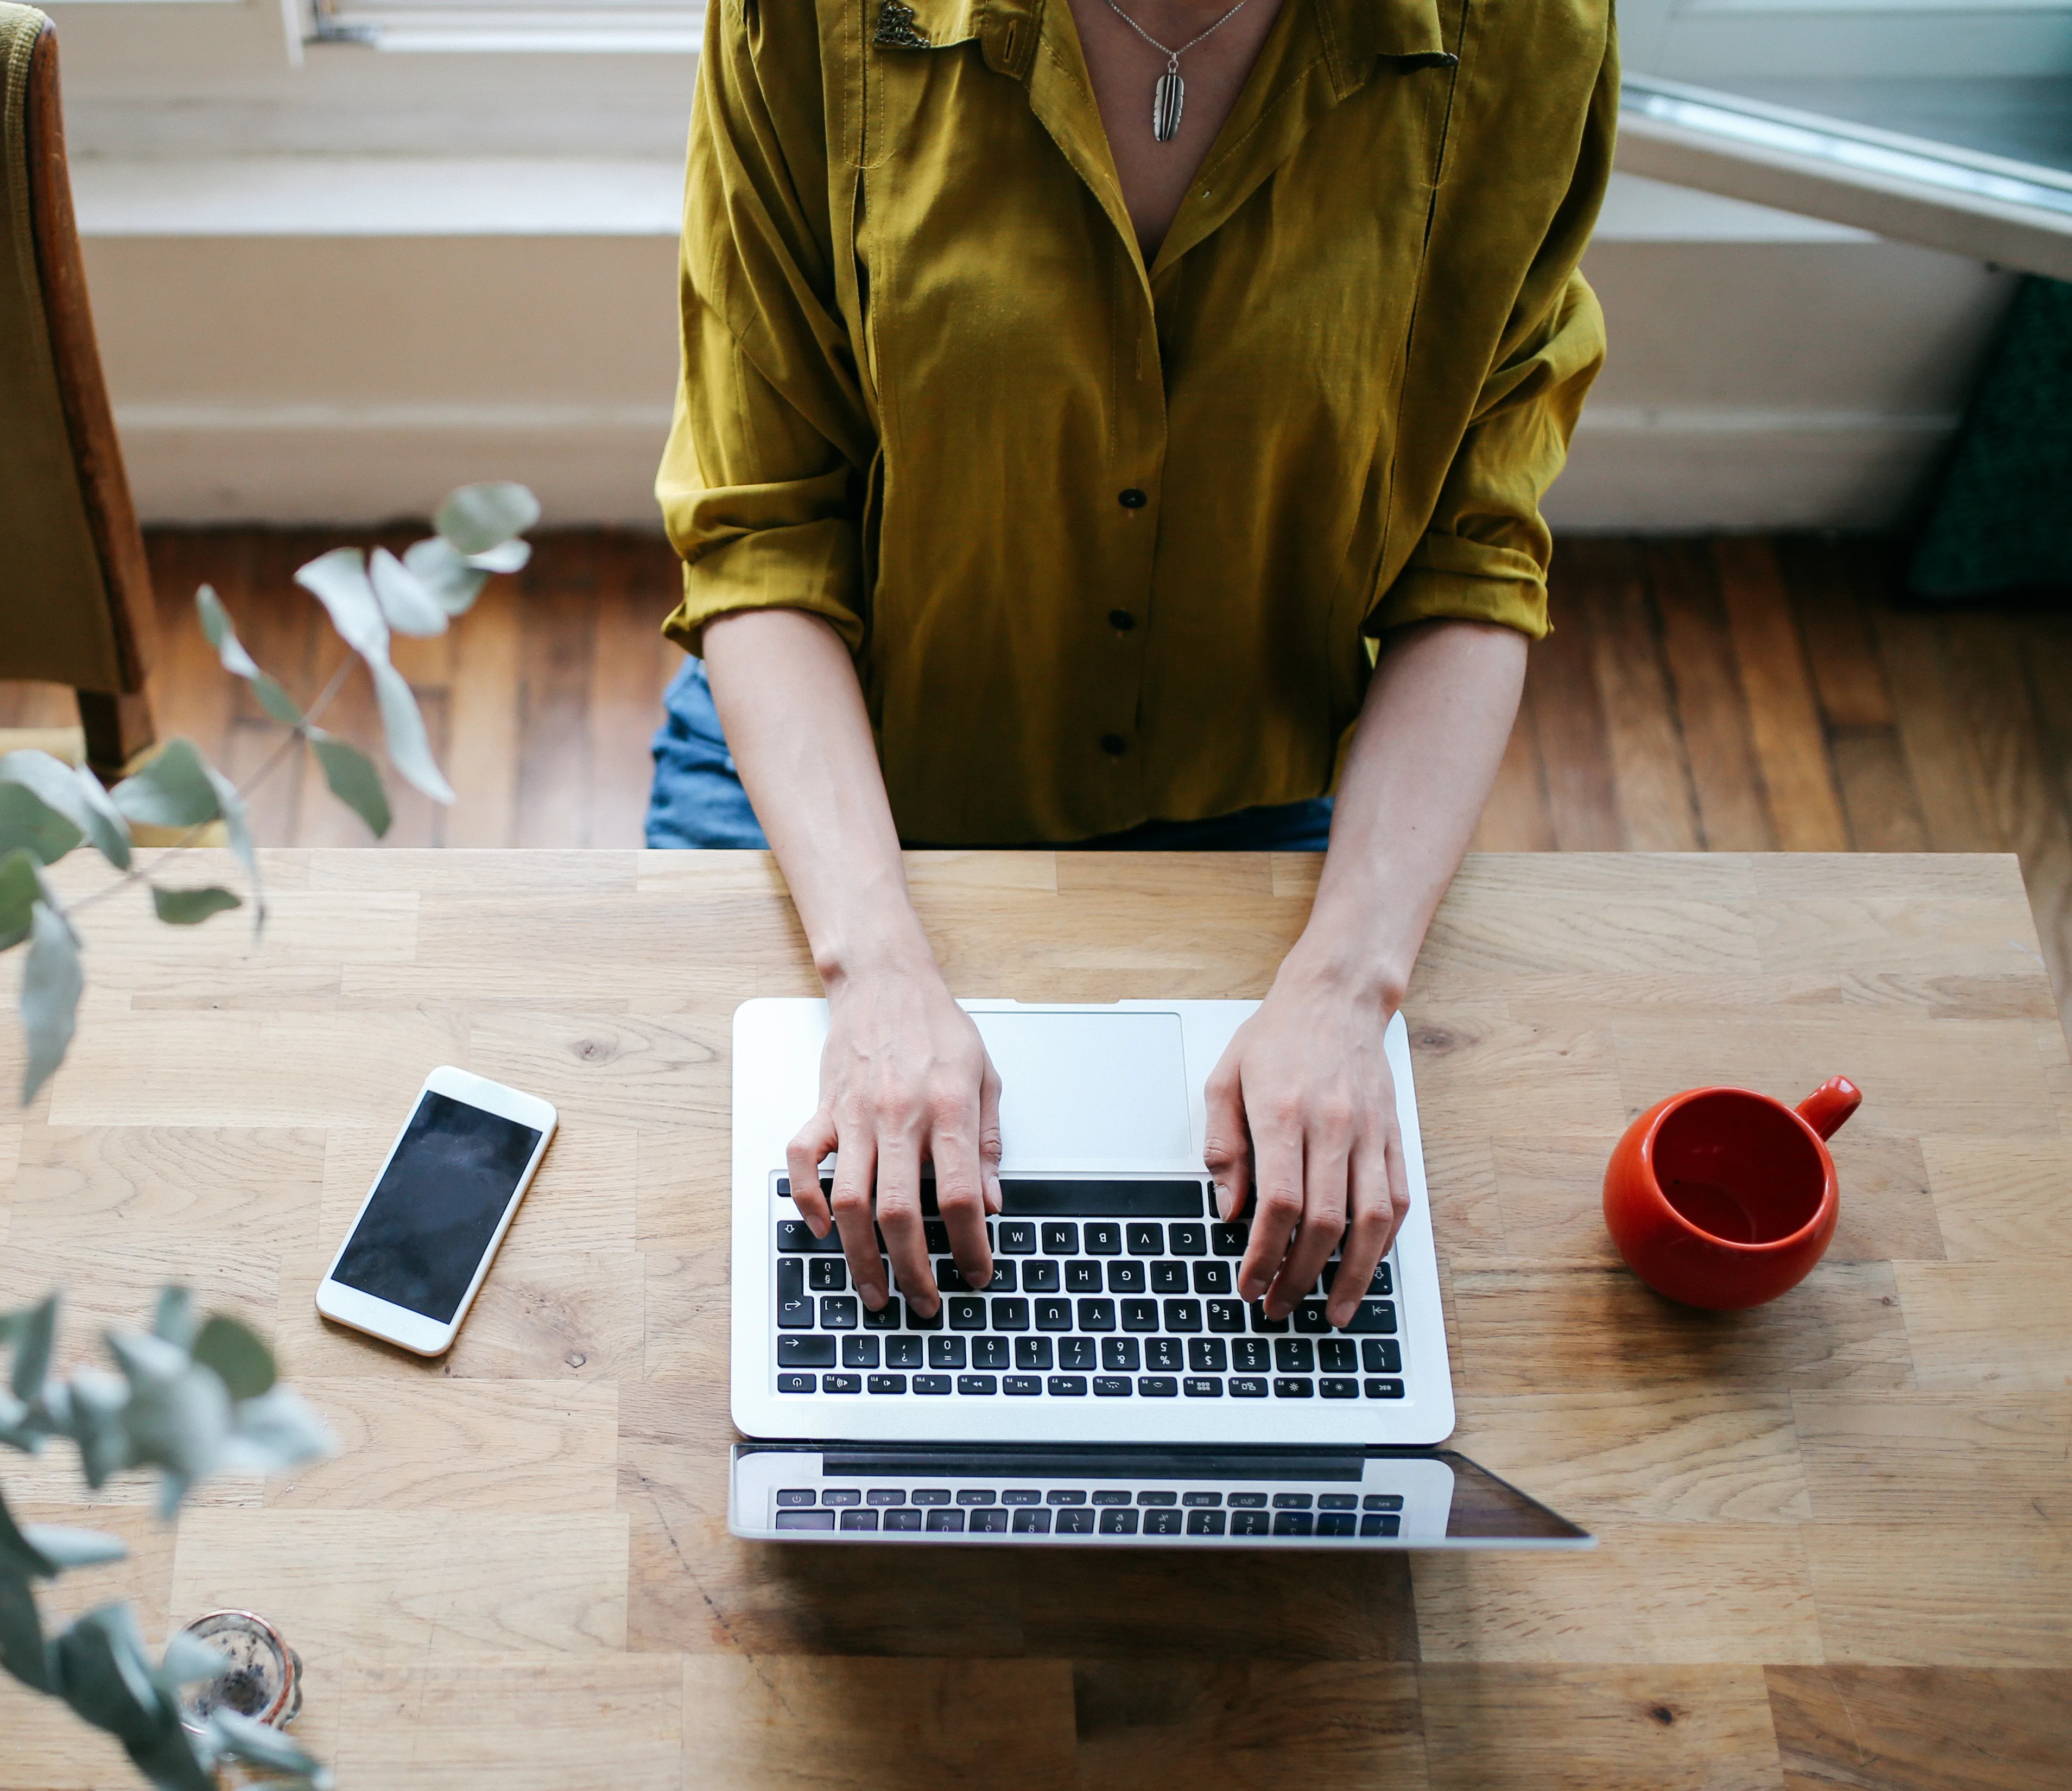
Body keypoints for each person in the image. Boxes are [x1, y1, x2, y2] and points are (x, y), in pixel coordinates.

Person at [650, 0, 1614, 1329]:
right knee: (705, 1304)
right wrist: (874, 973)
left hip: (1255, 793)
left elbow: (1474, 553)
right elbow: (763, 528)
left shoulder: (1529, 33)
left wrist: (1347, 987)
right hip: (841, 766)